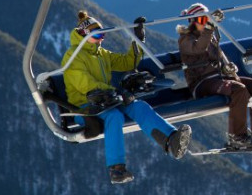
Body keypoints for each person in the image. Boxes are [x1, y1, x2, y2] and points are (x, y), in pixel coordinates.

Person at [61, 11, 192, 184]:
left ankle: (171, 141)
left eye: (103, 35)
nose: (102, 39)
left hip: (108, 100)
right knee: (114, 117)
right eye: (98, 35)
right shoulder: (73, 57)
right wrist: (117, 93)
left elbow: (128, 62)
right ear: (85, 35)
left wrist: (137, 40)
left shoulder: (101, 54)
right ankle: (117, 169)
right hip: (85, 106)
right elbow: (86, 84)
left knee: (139, 106)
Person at [176, 2, 252, 148]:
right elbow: (199, 48)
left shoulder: (210, 36)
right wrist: (209, 28)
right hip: (202, 83)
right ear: (192, 22)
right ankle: (237, 136)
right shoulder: (185, 39)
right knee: (238, 90)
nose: (205, 23)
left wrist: (227, 67)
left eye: (207, 19)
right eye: (202, 20)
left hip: (219, 78)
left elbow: (219, 55)